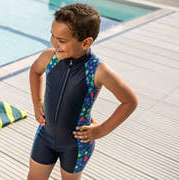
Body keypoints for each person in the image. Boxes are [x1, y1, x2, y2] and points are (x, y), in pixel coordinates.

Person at [28, 3, 138, 180]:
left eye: (62, 41)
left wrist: (102, 130)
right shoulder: (50, 57)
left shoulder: (98, 70)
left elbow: (130, 101)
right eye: (52, 35)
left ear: (86, 42)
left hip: (77, 145)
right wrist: (37, 102)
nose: (54, 43)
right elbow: (35, 71)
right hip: (45, 136)